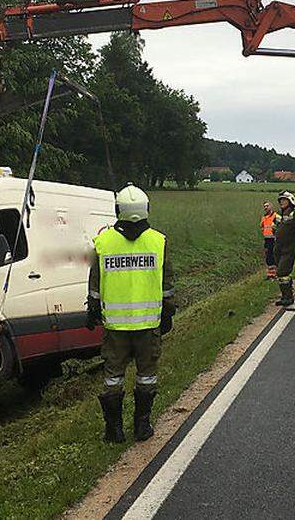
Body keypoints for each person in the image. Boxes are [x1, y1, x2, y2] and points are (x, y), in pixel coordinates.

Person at [87, 184, 176, 443]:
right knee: (146, 375)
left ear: (119, 210)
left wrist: (92, 310)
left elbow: (95, 282)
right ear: (145, 209)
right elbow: (167, 284)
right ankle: (142, 426)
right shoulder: (159, 241)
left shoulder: (103, 242)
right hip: (148, 325)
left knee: (113, 377)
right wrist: (167, 313)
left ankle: (113, 430)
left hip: (115, 328)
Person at [272, 191, 295, 306]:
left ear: (290, 201)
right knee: (281, 274)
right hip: (278, 247)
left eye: (284, 200)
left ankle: (288, 297)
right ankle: (285, 297)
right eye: (280, 200)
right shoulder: (279, 215)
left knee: (282, 271)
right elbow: (274, 227)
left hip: (289, 247)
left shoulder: (294, 213)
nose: (282, 202)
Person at [260, 201, 277, 279]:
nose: (266, 207)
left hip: (274, 239)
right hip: (267, 239)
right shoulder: (264, 217)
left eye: (267, 206)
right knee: (268, 257)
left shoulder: (275, 216)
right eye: (264, 206)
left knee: (273, 256)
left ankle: (274, 274)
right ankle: (270, 274)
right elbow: (262, 226)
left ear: (271, 206)